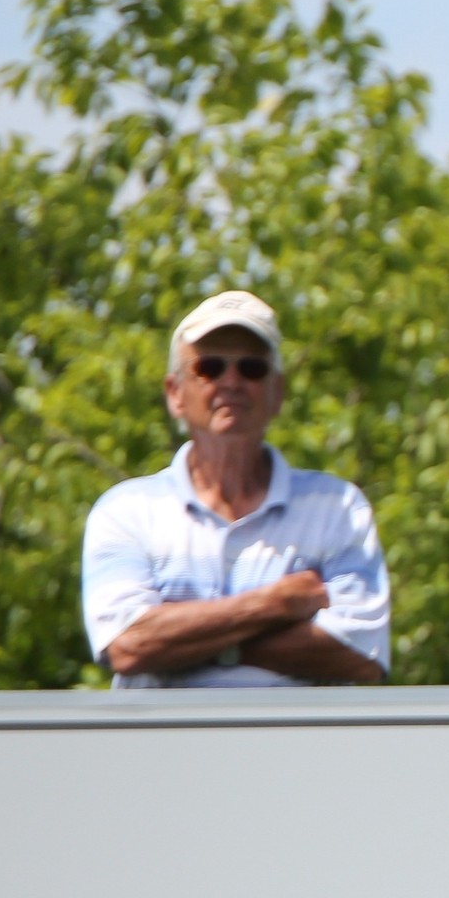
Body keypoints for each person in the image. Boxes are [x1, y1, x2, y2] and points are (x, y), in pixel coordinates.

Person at [81, 290, 390, 687]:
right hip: (161, 748)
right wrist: (275, 605)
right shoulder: (126, 510)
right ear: (175, 394)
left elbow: (360, 657)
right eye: (210, 367)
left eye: (251, 369)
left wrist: (191, 642)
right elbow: (128, 646)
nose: (232, 382)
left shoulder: (338, 507)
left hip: (302, 746)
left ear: (277, 393)